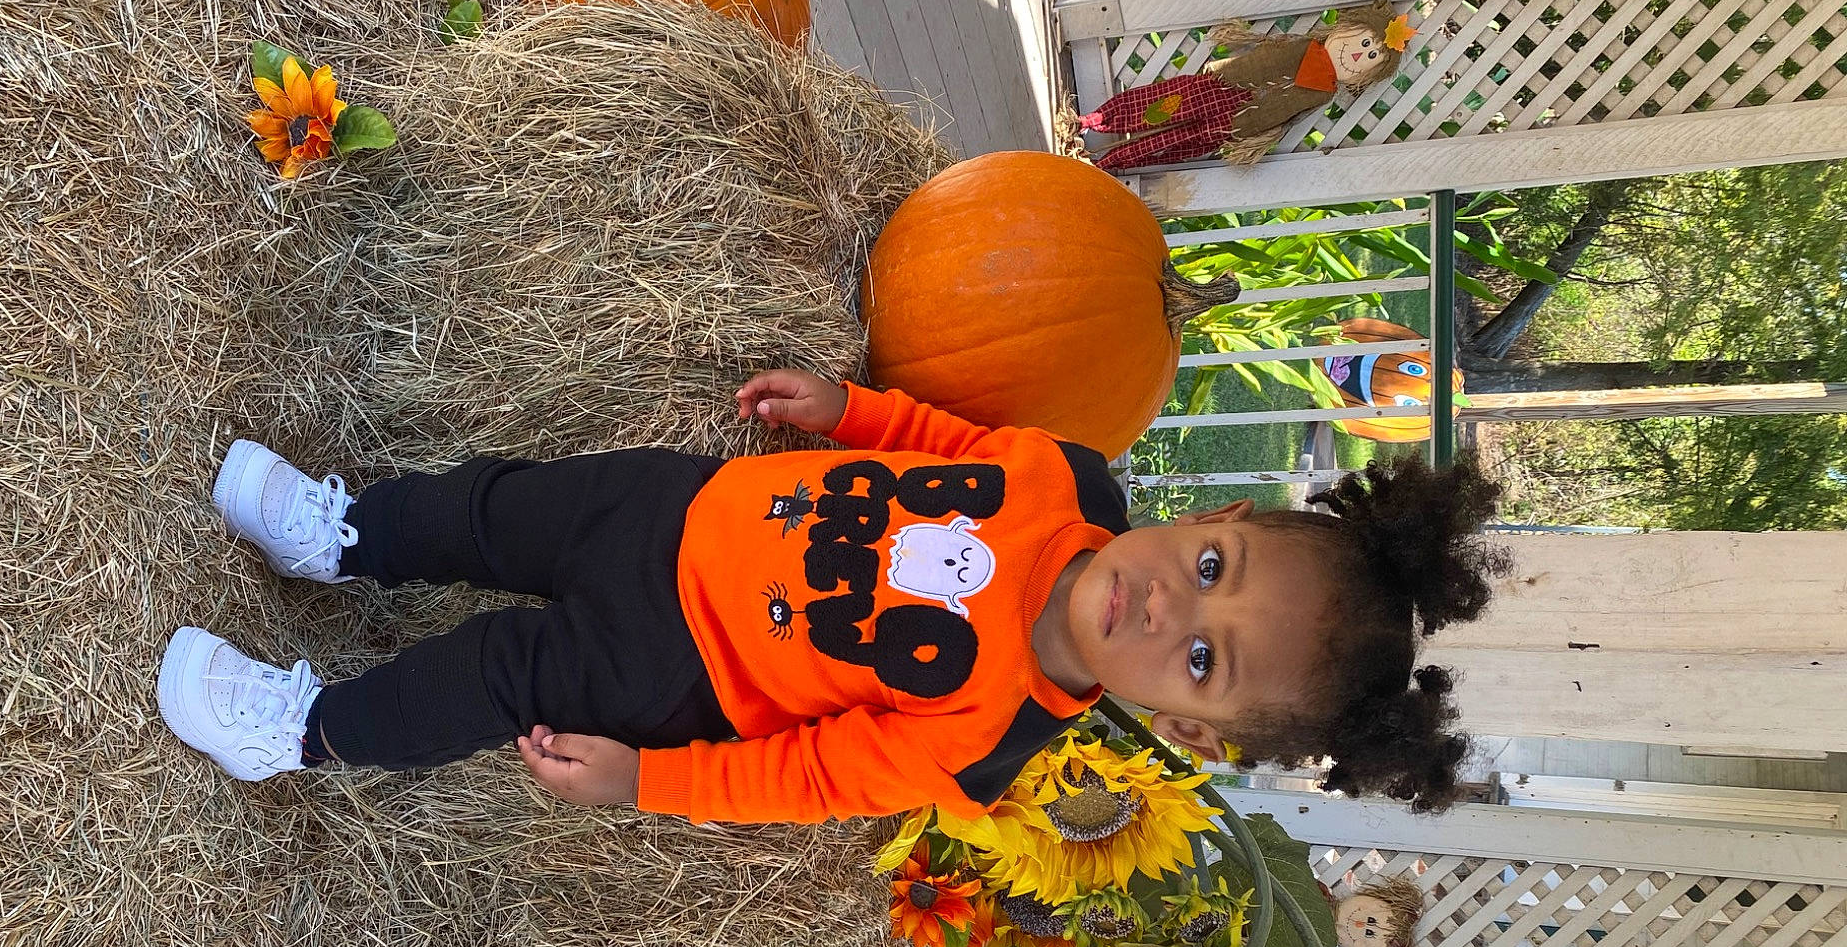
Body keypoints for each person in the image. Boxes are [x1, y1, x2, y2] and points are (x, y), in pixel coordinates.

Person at [157, 370, 1506, 822]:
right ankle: (343, 535)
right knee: (497, 507)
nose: (1169, 611)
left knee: (499, 668)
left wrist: (650, 782)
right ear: (1216, 517)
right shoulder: (1071, 481)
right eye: (1213, 570)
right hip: (686, 505)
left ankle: (302, 728)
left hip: (680, 663)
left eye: (1203, 663)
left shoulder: (990, 736)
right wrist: (849, 408)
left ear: (1186, 732)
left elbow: (812, 777)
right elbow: (941, 448)